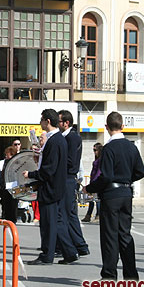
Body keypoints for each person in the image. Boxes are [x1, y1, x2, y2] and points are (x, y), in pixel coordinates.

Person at [85, 111, 144, 280]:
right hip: (126, 193)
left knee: (110, 235)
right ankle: (131, 275)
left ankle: (109, 274)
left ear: (106, 127)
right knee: (125, 234)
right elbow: (141, 171)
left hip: (111, 195)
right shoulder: (131, 146)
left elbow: (106, 176)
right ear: (123, 126)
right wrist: (127, 179)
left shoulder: (108, 148)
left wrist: (90, 187)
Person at [24, 109, 78, 265]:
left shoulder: (54, 141)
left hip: (50, 188)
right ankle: (69, 252)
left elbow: (49, 168)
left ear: (47, 121)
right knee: (57, 221)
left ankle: (47, 255)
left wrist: (32, 175)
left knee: (48, 223)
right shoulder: (59, 139)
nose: (40, 122)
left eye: (41, 119)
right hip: (56, 187)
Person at [58, 110, 90, 256]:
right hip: (67, 179)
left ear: (66, 123)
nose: (57, 124)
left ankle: (70, 247)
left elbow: (70, 162)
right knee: (70, 215)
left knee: (64, 214)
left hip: (67, 179)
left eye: (59, 121)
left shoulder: (72, 137)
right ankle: (80, 245)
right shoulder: (68, 137)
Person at [82, 143, 102, 222]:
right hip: (92, 180)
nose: (94, 152)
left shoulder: (100, 160)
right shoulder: (96, 159)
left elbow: (98, 172)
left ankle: (98, 215)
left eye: (95, 150)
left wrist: (94, 181)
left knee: (96, 200)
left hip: (96, 181)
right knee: (91, 199)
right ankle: (88, 215)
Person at [0, 145, 19, 222]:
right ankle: (7, 218)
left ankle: (12, 220)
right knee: (5, 204)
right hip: (5, 186)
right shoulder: (4, 162)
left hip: (14, 187)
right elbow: (1, 173)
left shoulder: (16, 163)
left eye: (7, 154)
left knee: (13, 206)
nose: (6, 155)